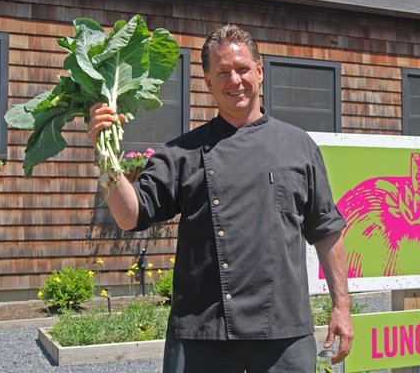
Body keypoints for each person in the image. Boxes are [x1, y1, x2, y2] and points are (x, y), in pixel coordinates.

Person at [87, 24, 354, 372]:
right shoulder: (180, 153)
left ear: (260, 71)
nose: (235, 81)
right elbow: (130, 215)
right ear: (208, 82)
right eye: (223, 73)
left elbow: (326, 229)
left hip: (283, 331)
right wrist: (106, 159)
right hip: (202, 333)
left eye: (242, 69)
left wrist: (342, 307)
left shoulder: (298, 145)